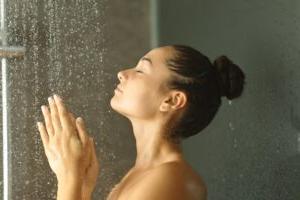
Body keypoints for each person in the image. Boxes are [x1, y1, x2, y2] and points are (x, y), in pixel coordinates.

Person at [37, 44, 246, 200]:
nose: (122, 74)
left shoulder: (173, 179)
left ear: (172, 100)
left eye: (140, 71)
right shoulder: (141, 174)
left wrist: (69, 176)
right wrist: (82, 189)